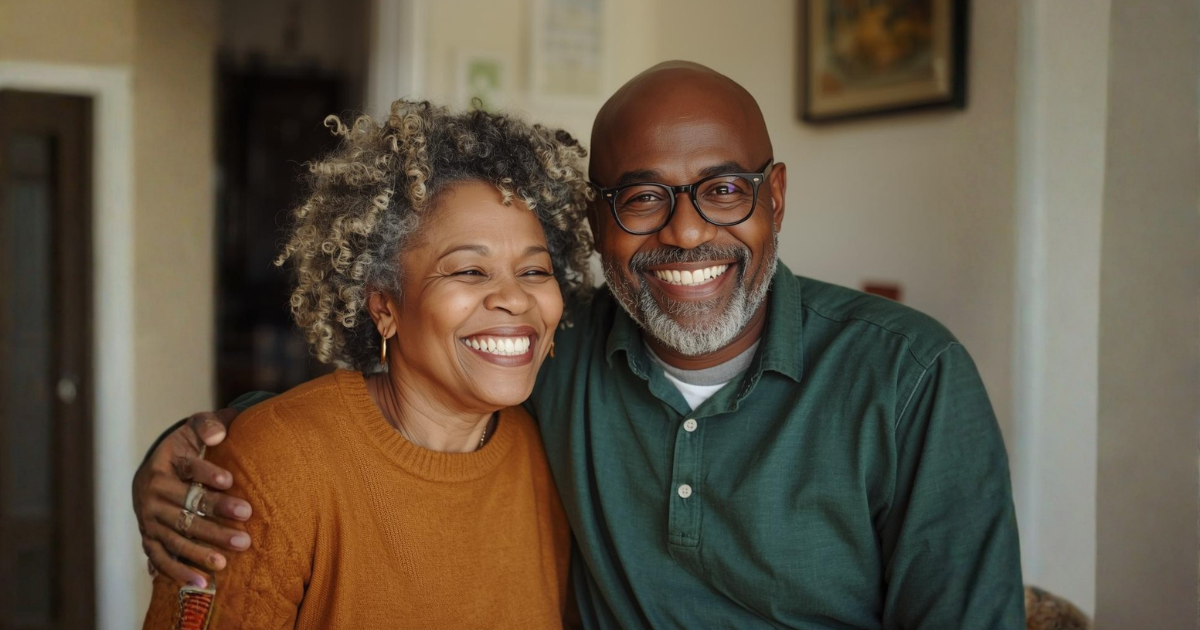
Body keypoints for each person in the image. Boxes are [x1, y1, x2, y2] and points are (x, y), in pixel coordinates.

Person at [135, 62, 1025, 629]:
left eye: (722, 190)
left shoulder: (909, 378)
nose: (684, 234)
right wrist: (199, 448)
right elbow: (391, 410)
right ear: (597, 224)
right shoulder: (553, 353)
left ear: (775, 198)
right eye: (641, 198)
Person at [139, 101, 594, 628]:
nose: (515, 299)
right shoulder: (273, 464)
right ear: (385, 307)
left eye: (534, 270)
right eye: (470, 270)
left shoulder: (547, 457)